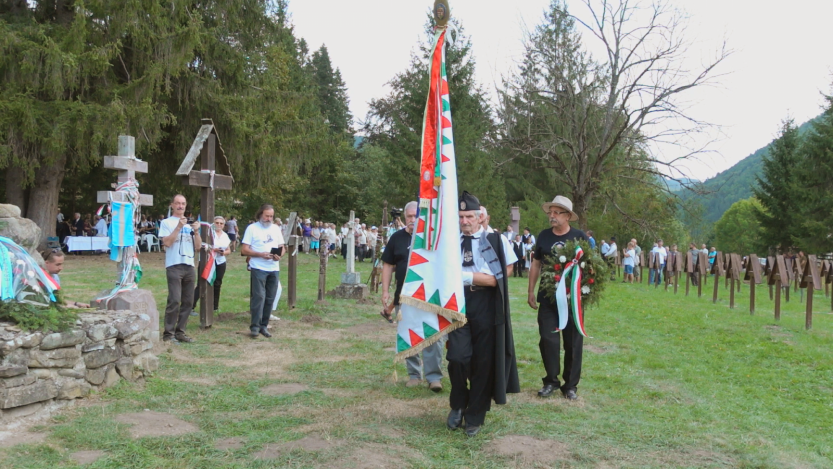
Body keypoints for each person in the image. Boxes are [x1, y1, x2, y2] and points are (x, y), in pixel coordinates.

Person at [447, 191, 519, 437]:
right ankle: (458, 403)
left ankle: (475, 415)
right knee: (457, 357)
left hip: (486, 303)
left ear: (480, 218)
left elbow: (507, 269)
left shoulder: (495, 240)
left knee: (483, 361)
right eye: (461, 216)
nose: (465, 221)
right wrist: (476, 277)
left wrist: (478, 278)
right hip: (457, 302)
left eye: (469, 216)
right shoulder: (450, 241)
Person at [527, 195, 588, 400]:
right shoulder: (544, 236)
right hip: (547, 298)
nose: (551, 216)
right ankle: (551, 381)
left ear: (568, 216)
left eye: (556, 212)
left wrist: (584, 292)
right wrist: (530, 290)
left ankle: (570, 385)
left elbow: (591, 267)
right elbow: (536, 263)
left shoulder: (580, 237)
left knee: (573, 343)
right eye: (550, 212)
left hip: (572, 301)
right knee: (548, 340)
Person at [381, 202, 444, 392]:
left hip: (429, 296)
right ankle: (414, 374)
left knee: (433, 336)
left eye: (416, 216)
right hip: (404, 297)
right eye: (408, 216)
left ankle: (434, 377)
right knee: (409, 334)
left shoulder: (431, 239)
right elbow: (387, 265)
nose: (412, 220)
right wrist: (385, 291)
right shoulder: (397, 238)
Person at [158, 195, 202, 343]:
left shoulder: (190, 224)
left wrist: (196, 231)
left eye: (183, 203)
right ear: (172, 205)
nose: (180, 206)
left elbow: (198, 247)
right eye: (177, 203)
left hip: (189, 265)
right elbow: (167, 243)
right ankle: (168, 334)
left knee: (188, 301)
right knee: (175, 299)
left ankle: (180, 332)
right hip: (174, 265)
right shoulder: (166, 223)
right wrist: (178, 227)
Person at [241, 204, 285, 339]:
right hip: (258, 267)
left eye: (271, 216)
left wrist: (279, 255)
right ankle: (254, 326)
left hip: (273, 267)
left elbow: (282, 247)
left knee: (270, 297)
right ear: (260, 214)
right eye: (267, 216)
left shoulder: (276, 228)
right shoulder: (252, 228)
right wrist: (260, 254)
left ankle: (264, 326)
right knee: (259, 296)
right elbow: (244, 250)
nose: (269, 219)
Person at [193, 216, 231, 312]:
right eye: (217, 223)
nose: (219, 225)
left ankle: (214, 306)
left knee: (217, 283)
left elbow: (228, 250)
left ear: (223, 225)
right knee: (202, 284)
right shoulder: (208, 233)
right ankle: (191, 306)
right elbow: (201, 246)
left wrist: (223, 252)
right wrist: (213, 250)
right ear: (213, 224)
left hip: (220, 261)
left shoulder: (225, 235)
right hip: (207, 261)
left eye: (221, 223)